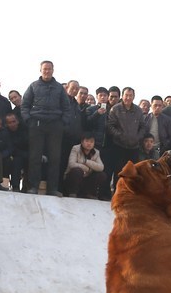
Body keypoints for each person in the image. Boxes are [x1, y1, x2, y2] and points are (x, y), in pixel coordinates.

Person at [21, 60, 72, 196]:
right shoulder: (33, 86)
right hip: (36, 124)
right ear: (40, 70)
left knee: (55, 158)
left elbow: (67, 108)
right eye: (44, 69)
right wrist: (28, 120)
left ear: (53, 70)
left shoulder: (59, 88)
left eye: (49, 69)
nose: (47, 71)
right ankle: (33, 187)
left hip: (55, 125)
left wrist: (63, 123)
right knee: (35, 157)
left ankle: (52, 189)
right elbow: (25, 105)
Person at [64, 133, 107, 200]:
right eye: (87, 141)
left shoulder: (96, 152)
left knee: (102, 175)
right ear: (82, 141)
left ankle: (89, 193)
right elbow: (71, 164)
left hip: (86, 179)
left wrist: (86, 161)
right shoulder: (75, 148)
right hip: (73, 178)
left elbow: (101, 167)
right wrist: (85, 168)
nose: (89, 144)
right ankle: (72, 193)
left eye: (91, 142)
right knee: (77, 171)